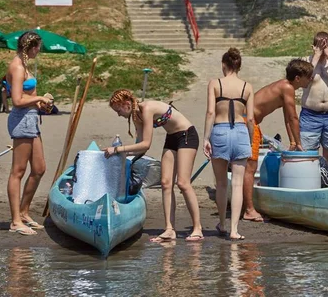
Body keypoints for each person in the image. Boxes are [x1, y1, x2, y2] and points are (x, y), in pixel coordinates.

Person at [105, 89, 204, 242]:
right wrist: (121, 158)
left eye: (118, 110)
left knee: (183, 183)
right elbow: (139, 146)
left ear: (126, 104)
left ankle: (197, 228)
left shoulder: (147, 109)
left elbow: (146, 144)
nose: (118, 114)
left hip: (187, 135)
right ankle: (169, 229)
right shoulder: (136, 117)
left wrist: (118, 149)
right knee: (165, 183)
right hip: (171, 137)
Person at [242, 59, 314, 222]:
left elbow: (287, 120)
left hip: (248, 121)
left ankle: (246, 205)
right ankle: (249, 210)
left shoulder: (284, 87)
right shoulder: (287, 87)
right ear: (298, 78)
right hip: (248, 122)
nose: (310, 79)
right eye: (308, 77)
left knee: (247, 166)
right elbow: (294, 118)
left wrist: (294, 143)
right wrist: (301, 144)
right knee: (250, 168)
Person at [203, 48, 254, 241]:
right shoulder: (247, 87)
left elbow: (210, 113)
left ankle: (223, 224)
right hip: (240, 131)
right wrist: (249, 139)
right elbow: (250, 119)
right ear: (239, 66)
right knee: (238, 184)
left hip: (220, 131)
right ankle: (234, 230)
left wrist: (206, 138)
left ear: (224, 65)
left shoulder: (215, 84)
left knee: (222, 183)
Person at [6, 31, 52, 236]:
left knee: (40, 168)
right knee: (18, 171)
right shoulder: (17, 66)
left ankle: (24, 212)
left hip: (32, 119)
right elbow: (16, 100)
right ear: (31, 47)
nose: (39, 50)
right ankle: (15, 221)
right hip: (21, 120)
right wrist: (39, 97)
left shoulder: (24, 66)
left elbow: (27, 95)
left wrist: (41, 103)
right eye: (38, 47)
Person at [300, 32, 328, 181]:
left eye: (325, 44)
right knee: (309, 155)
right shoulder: (306, 61)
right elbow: (307, 78)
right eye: (319, 45)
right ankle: (310, 185)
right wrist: (317, 56)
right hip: (310, 115)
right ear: (313, 46)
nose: (322, 47)